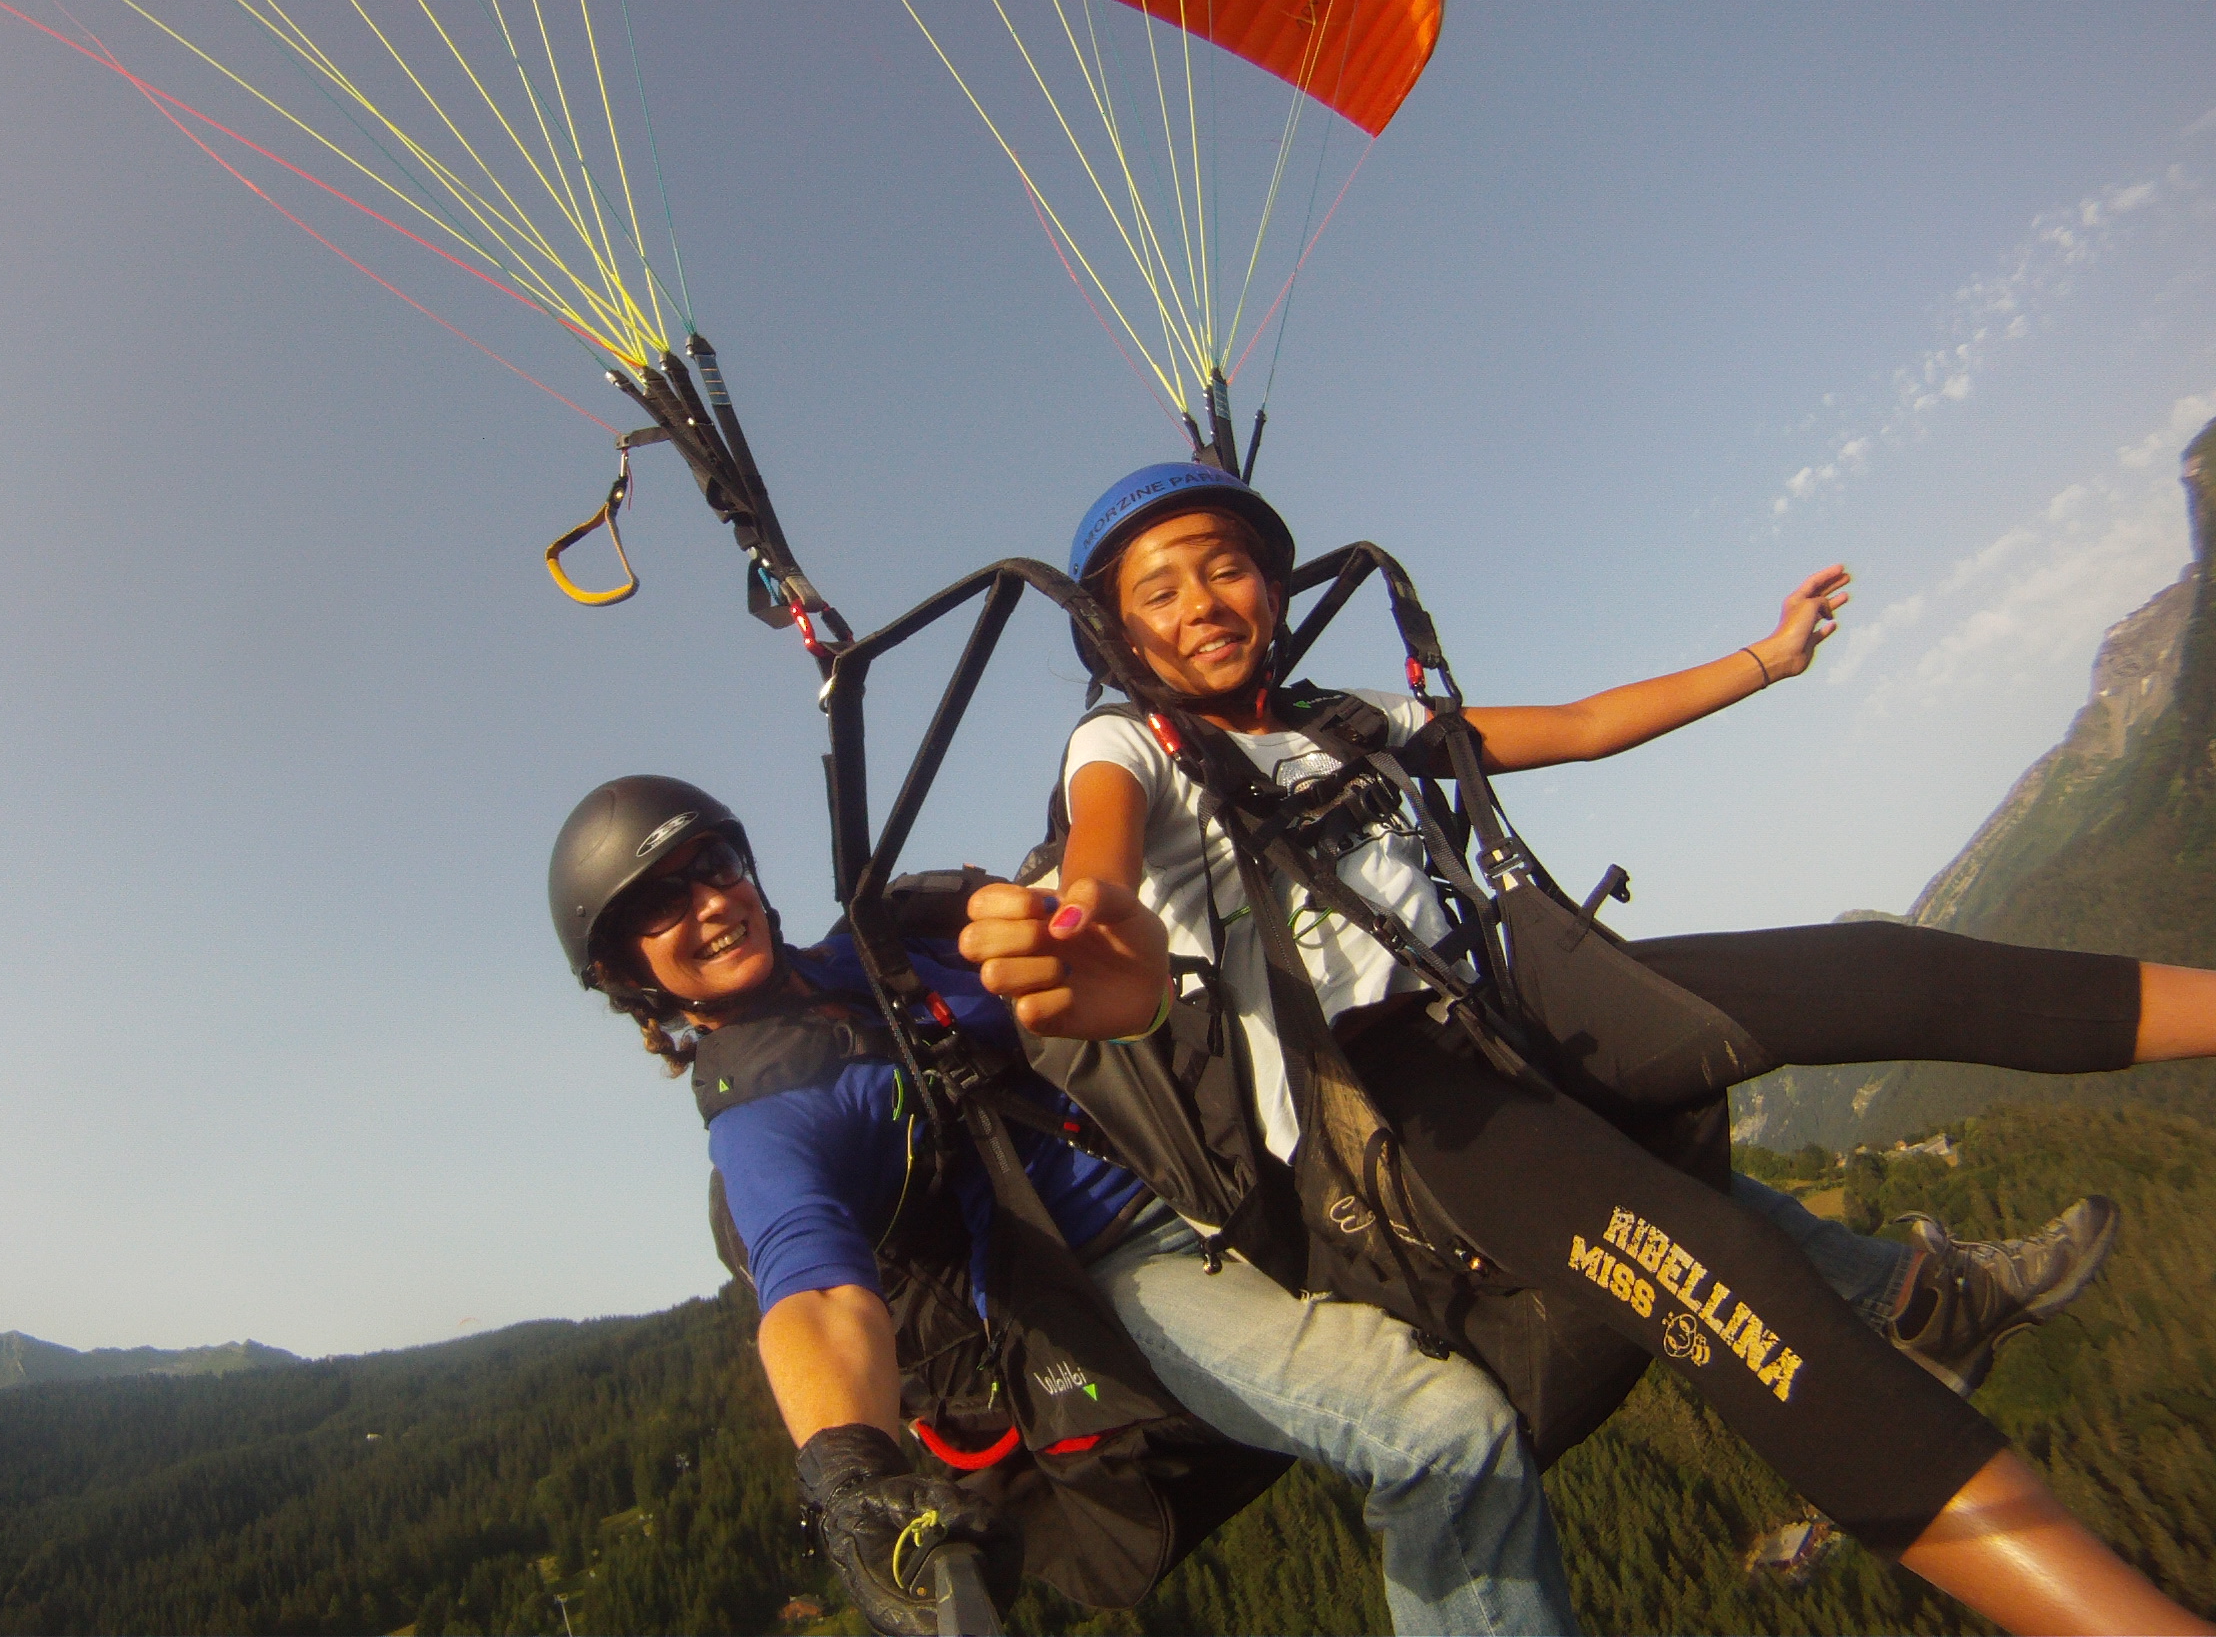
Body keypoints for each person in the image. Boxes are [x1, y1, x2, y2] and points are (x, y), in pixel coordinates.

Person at [959, 460, 2216, 1637]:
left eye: (1223, 566)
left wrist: (1764, 662)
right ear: (1122, 638)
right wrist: (1092, 966)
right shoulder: (1124, 747)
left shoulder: (1345, 718)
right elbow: (1108, 892)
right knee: (1730, 1279)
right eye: (1159, 590)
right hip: (1393, 1108)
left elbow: (1582, 722)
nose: (1202, 603)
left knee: (1894, 968)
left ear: (1272, 587)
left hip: (1512, 1017)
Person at [549, 772, 2117, 1636]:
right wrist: (849, 1473)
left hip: (1223, 1147)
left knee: (1562, 1149)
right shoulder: (766, 1104)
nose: (707, 904)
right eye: (661, 915)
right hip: (1131, 1269)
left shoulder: (887, 929)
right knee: (1438, 1436)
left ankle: (1906, 1300)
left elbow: (1089, 935)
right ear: (635, 982)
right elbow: (812, 1289)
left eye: (711, 867)